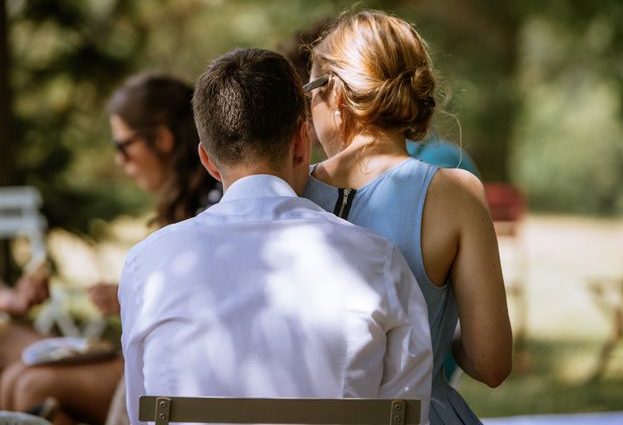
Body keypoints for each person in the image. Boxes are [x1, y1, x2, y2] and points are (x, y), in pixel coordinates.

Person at [119, 48, 434, 425]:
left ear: (208, 160)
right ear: (302, 142)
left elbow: (142, 410)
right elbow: (408, 413)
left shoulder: (148, 266)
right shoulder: (378, 262)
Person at [301, 10, 512, 425]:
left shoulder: (288, 191)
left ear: (337, 96)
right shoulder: (456, 193)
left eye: (311, 91)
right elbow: (491, 363)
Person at [0, 73, 222, 425]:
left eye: (123, 146)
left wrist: (127, 300)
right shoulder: (191, 205)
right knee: (20, 374)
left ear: (162, 139)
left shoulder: (212, 208)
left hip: (183, 372)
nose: (119, 161)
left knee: (29, 385)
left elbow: (203, 310)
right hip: (150, 358)